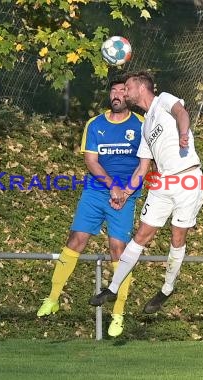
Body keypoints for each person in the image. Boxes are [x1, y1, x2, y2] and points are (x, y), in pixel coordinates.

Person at [36, 76, 150, 337]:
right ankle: (52, 298)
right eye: (114, 91)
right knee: (76, 240)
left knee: (118, 251)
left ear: (130, 96)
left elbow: (145, 165)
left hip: (126, 195)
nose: (118, 95)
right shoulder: (95, 124)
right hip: (96, 191)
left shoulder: (142, 124)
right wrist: (112, 186)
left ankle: (118, 314)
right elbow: (91, 161)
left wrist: (125, 192)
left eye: (123, 90)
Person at [89, 71, 203, 314]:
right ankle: (113, 287)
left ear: (141, 88)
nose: (124, 92)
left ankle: (167, 288)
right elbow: (142, 168)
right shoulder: (145, 126)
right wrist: (124, 195)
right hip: (162, 182)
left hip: (187, 177)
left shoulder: (163, 99)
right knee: (141, 235)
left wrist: (184, 133)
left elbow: (182, 113)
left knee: (177, 237)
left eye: (127, 87)